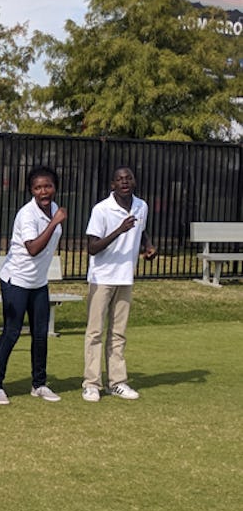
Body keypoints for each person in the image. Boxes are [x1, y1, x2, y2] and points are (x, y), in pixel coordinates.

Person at [0, 166, 66, 406]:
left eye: (48, 186)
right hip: (16, 281)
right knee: (12, 333)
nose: (44, 191)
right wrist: (54, 223)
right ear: (31, 190)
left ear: (55, 187)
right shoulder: (27, 214)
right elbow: (32, 249)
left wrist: (54, 219)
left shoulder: (54, 209)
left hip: (38, 282)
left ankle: (39, 384)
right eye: (38, 187)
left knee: (40, 335)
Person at [82, 167, 157, 402]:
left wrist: (148, 247)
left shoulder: (141, 206)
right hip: (102, 278)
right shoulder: (101, 209)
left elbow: (141, 231)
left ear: (134, 182)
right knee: (95, 332)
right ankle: (91, 384)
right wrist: (119, 230)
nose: (124, 182)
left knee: (118, 333)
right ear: (112, 185)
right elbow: (92, 247)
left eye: (128, 178)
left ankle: (117, 382)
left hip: (125, 277)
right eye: (119, 179)